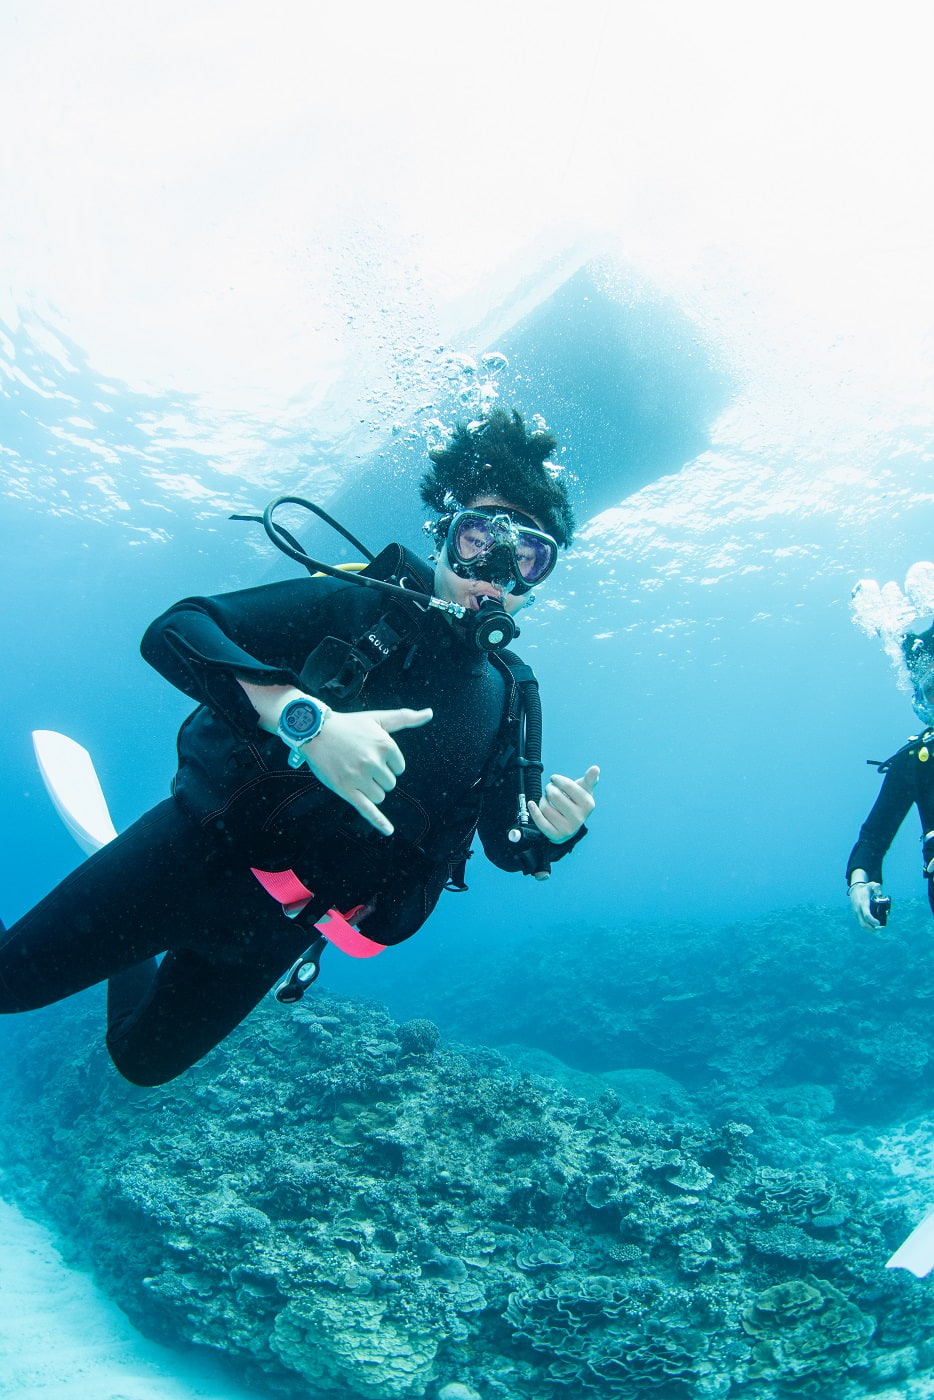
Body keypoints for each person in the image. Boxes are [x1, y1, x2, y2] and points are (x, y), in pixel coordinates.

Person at [0, 408, 599, 1085]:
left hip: (286, 925)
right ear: (443, 535)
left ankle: (120, 935)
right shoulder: (355, 607)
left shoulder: (509, 697)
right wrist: (305, 719)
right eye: (477, 539)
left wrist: (552, 834)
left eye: (527, 559)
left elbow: (504, 842)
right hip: (195, 856)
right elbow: (176, 629)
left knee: (142, 1061)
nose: (494, 572)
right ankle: (115, 876)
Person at [847, 621, 934, 930]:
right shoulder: (915, 761)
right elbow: (873, 837)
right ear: (920, 703)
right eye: (932, 690)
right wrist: (860, 884)